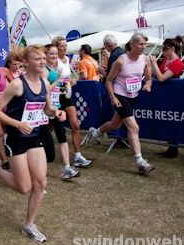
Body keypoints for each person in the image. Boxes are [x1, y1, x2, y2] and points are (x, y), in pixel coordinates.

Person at [0, 44, 66, 243]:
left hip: (35, 136)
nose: (42, 62)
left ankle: (29, 224)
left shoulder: (42, 82)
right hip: (16, 138)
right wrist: (17, 124)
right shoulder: (16, 84)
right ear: (25, 63)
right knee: (24, 188)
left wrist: (56, 113)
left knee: (40, 183)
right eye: (38, 59)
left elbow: (47, 109)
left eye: (43, 58)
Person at [88, 33, 155, 174]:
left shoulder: (145, 60)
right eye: (141, 44)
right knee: (134, 128)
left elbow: (148, 78)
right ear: (132, 44)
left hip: (133, 96)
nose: (143, 47)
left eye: (145, 44)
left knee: (115, 125)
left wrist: (148, 84)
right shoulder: (121, 61)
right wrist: (113, 98)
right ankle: (140, 161)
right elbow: (108, 80)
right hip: (120, 95)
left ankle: (95, 132)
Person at [52, 37, 92, 168]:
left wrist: (71, 81)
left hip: (67, 95)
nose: (64, 48)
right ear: (56, 47)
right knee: (50, 126)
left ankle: (78, 156)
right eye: (61, 46)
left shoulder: (67, 59)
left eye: (65, 46)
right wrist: (61, 82)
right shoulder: (54, 60)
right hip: (56, 96)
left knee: (75, 125)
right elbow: (52, 78)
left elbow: (67, 77)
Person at [42, 45, 80, 180]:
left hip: (56, 107)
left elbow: (57, 89)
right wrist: (58, 80)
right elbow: (45, 91)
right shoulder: (44, 71)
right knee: (42, 142)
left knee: (62, 137)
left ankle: (67, 168)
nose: (53, 56)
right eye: (51, 54)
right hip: (44, 110)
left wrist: (66, 86)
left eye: (55, 54)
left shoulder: (56, 69)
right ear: (45, 54)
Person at [150, 37, 184, 158]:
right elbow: (157, 74)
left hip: (174, 96)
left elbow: (162, 78)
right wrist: (150, 67)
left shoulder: (178, 63)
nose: (162, 51)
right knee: (168, 121)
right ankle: (171, 147)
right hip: (164, 96)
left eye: (165, 48)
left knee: (175, 121)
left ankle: (174, 148)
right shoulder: (165, 60)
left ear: (172, 49)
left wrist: (154, 64)